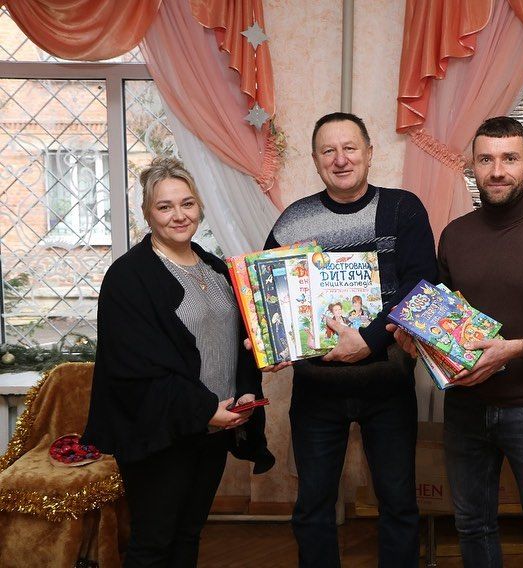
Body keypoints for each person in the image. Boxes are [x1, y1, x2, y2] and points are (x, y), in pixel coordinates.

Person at [392, 116, 523, 567]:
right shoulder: (455, 235)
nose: (498, 171)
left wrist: (517, 347)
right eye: (486, 160)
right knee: (472, 525)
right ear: (472, 165)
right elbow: (444, 319)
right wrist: (419, 341)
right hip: (465, 408)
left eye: (509, 159)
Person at [83, 157, 274, 567]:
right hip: (160, 432)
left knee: (189, 534)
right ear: (147, 213)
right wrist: (204, 410)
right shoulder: (128, 278)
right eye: (165, 206)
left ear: (199, 206)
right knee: (153, 542)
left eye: (187, 203)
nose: (179, 215)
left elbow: (238, 341)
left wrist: (245, 392)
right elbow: (136, 368)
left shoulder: (217, 268)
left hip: (215, 427)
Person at [264, 112, 436, 567]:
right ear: (316, 160)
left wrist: (370, 340)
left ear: (369, 153)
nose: (340, 159)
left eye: (350, 148)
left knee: (398, 503)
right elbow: (272, 294)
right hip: (317, 389)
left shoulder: (402, 209)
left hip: (388, 385)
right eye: (328, 151)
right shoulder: (294, 220)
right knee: (313, 507)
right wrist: (272, 341)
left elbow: (422, 286)